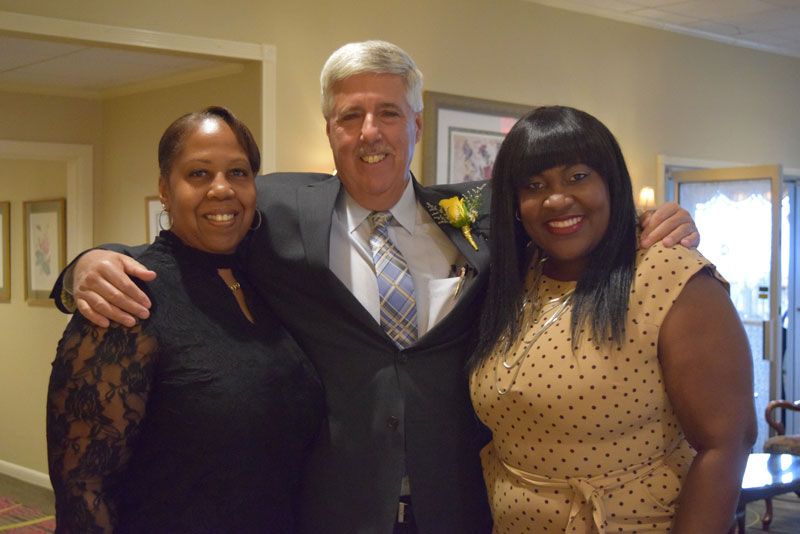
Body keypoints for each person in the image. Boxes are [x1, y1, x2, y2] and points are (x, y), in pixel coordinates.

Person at [51, 42, 699, 533]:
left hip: (464, 505)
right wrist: (83, 265)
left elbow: (570, 220)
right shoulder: (274, 207)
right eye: (351, 115)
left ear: (416, 123)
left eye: (389, 112)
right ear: (330, 129)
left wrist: (653, 220)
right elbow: (190, 233)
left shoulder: (481, 215)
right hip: (332, 507)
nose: (370, 132)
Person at [470, 106, 756, 533]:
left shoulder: (669, 275)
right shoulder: (516, 279)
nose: (556, 198)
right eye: (534, 185)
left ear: (612, 182)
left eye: (578, 176)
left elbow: (727, 442)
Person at [46, 106, 324, 533]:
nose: (221, 189)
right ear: (164, 187)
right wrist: (84, 265)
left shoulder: (268, 282)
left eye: (237, 173)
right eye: (198, 174)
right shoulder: (126, 298)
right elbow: (84, 488)